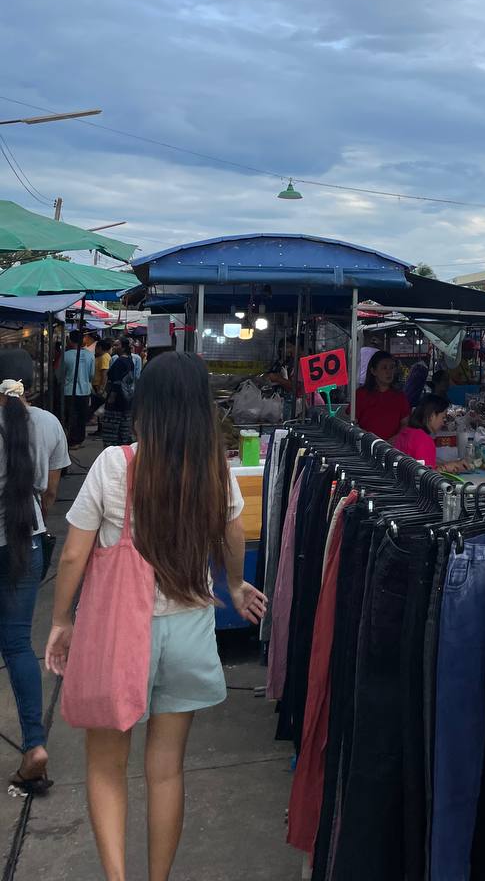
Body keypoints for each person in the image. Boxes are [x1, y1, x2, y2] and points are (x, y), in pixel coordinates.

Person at [45, 353, 267, 881]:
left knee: (106, 765)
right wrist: (233, 585)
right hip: (188, 629)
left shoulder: (116, 464)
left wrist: (60, 621)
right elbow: (233, 531)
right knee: (166, 770)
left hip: (121, 634)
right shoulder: (213, 467)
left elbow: (74, 555)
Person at [0, 350, 70, 793]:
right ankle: (34, 744)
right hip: (27, 543)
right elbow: (51, 489)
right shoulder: (48, 423)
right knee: (19, 645)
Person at [354, 351, 411, 440]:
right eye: (384, 368)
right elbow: (352, 422)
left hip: (392, 449)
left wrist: (394, 440)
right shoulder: (361, 394)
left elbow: (405, 424)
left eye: (392, 367)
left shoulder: (399, 396)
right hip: (365, 445)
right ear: (373, 371)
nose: (389, 372)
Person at [60, 328, 95, 449]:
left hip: (69, 391)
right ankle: (79, 440)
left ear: (70, 340)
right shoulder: (90, 356)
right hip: (85, 391)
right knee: (81, 416)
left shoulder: (66, 356)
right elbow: (91, 375)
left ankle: (72, 440)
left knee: (71, 416)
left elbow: (60, 375)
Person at [101, 337, 136, 447]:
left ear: (123, 347)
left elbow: (114, 381)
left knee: (111, 433)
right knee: (123, 432)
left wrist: (109, 396)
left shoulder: (120, 361)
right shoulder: (129, 360)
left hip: (116, 401)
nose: (114, 347)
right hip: (127, 401)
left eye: (117, 345)